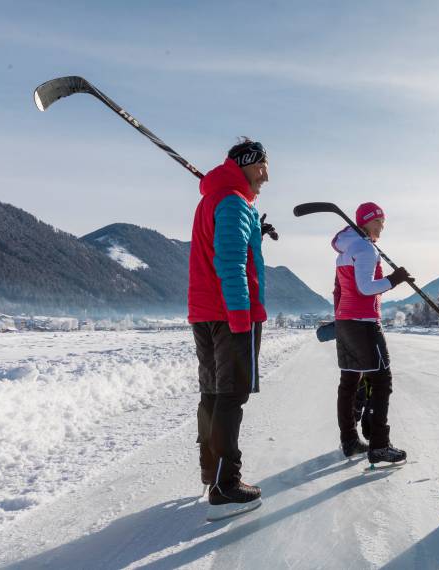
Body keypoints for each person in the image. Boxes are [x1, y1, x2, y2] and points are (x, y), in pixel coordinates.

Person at [188, 138, 271, 521]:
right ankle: (226, 484)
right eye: (262, 168)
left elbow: (225, 246)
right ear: (248, 165)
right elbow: (231, 263)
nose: (266, 177)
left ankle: (212, 473)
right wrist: (241, 317)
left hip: (205, 313)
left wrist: (254, 224)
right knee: (231, 396)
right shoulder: (234, 202)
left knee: (213, 393)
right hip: (230, 313)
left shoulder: (216, 200)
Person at [332, 202, 412, 465]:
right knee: (382, 381)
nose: (381, 227)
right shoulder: (365, 248)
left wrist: (340, 316)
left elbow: (340, 290)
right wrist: (394, 279)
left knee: (349, 382)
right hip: (364, 322)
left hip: (346, 321)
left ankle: (350, 440)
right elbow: (366, 287)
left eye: (382, 222)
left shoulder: (347, 248)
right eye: (378, 222)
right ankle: (379, 444)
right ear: (365, 222)